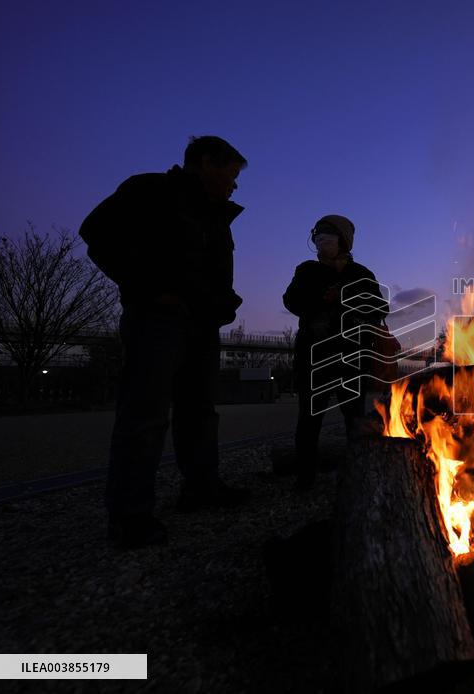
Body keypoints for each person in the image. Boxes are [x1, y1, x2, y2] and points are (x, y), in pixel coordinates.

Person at [80, 135, 250, 548]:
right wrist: (150, 290)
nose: (234, 185)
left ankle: (202, 488)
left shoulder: (215, 215)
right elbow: (96, 233)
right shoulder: (150, 190)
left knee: (199, 411)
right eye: (231, 174)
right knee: (145, 413)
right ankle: (130, 516)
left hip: (201, 325)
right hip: (157, 321)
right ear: (206, 163)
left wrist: (223, 305)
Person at [282, 215, 387, 490]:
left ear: (344, 240)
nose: (322, 238)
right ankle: (305, 478)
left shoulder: (361, 274)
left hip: (351, 359)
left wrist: (348, 300)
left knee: (354, 419)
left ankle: (358, 476)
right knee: (309, 420)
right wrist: (320, 299)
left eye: (329, 233)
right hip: (313, 358)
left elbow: (380, 309)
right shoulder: (306, 271)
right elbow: (291, 301)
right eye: (318, 233)